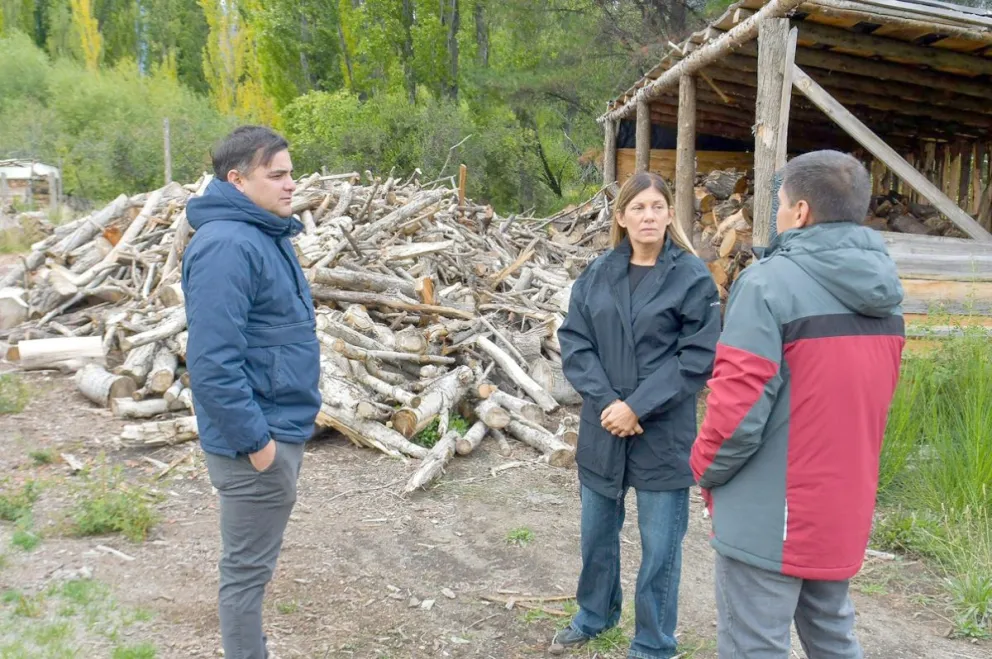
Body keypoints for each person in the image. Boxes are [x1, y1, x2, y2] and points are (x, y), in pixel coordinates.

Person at [690, 150, 906, 659]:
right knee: (832, 638)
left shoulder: (767, 284)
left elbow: (736, 415)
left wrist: (703, 467)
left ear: (802, 211)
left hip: (770, 515)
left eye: (781, 204)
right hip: (843, 506)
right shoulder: (887, 296)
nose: (779, 215)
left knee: (755, 645)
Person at [551, 172, 722, 658]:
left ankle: (652, 642)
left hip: (661, 428)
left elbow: (696, 356)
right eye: (638, 207)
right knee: (596, 534)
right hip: (604, 425)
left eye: (657, 207)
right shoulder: (598, 273)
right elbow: (575, 342)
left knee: (660, 546)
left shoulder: (691, 277)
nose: (649, 216)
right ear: (621, 216)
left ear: (670, 214)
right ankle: (595, 614)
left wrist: (636, 406)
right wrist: (609, 404)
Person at [182, 125, 321, 659]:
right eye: (277, 174)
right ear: (237, 180)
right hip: (254, 443)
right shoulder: (227, 246)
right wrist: (258, 445)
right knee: (244, 574)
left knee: (252, 569)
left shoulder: (262, 233)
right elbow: (212, 364)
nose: (290, 185)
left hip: (276, 426)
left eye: (291, 173)